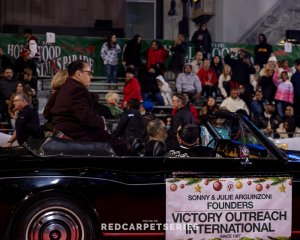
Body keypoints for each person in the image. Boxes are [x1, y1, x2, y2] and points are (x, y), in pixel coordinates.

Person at [50, 60, 128, 156]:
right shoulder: (76, 89)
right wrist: (101, 122)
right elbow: (86, 116)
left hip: (68, 129)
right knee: (120, 145)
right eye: (89, 73)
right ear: (79, 74)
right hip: (75, 132)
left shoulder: (66, 87)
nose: (91, 77)